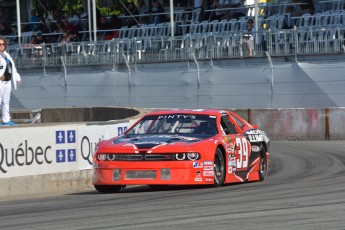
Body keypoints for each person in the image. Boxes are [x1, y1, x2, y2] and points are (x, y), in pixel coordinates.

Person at [0, 36, 21, 126]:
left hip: (7, 82)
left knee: (6, 101)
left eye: (2, 44)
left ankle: (6, 119)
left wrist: (17, 77)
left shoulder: (7, 55)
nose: (1, 45)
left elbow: (13, 68)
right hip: (0, 82)